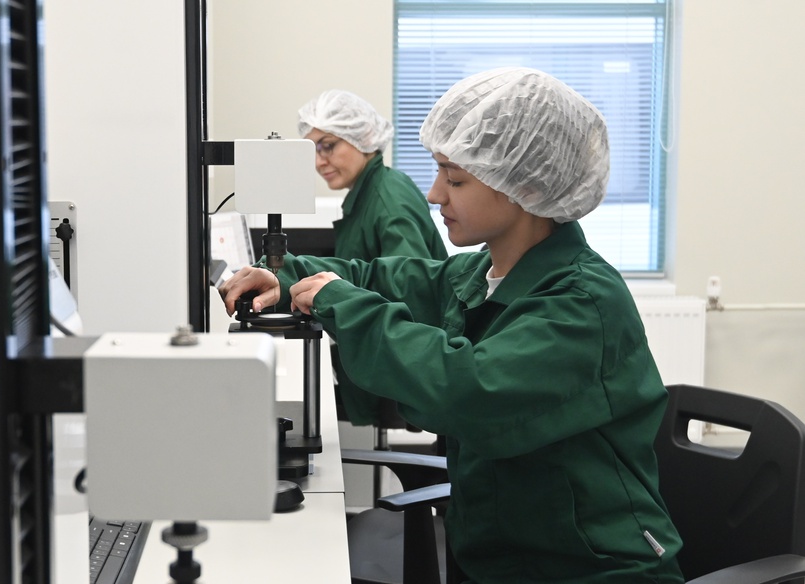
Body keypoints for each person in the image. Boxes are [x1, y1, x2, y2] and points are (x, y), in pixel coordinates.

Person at [222, 68, 684, 583]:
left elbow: (467, 388)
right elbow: (386, 279)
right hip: (499, 559)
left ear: (526, 185)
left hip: (588, 572)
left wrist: (343, 306)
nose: (434, 194)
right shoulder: (483, 273)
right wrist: (288, 275)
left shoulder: (581, 303)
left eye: (455, 179)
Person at [297, 89, 448, 426]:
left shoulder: (388, 198)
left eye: (328, 145)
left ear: (363, 137)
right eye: (313, 150)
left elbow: (411, 290)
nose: (319, 161)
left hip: (400, 375)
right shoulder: (369, 193)